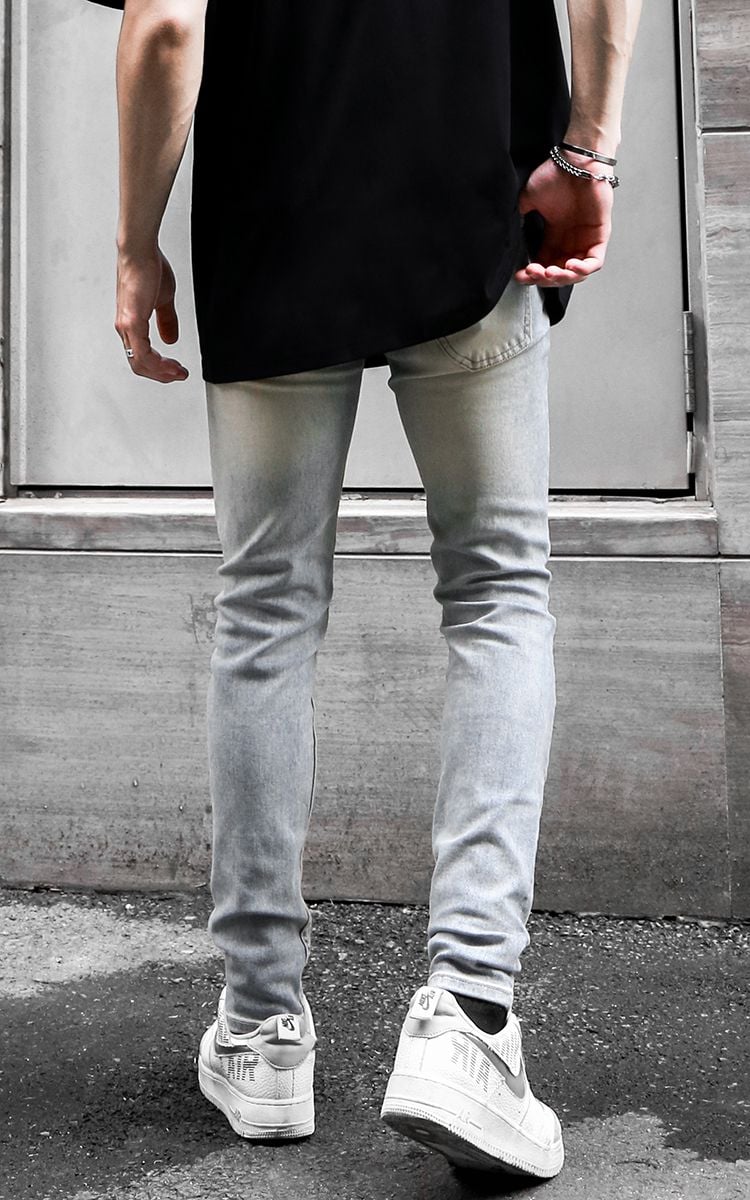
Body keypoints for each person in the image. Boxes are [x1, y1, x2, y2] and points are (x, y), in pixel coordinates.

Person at [85, 0, 642, 1177]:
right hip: (473, 205)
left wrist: (136, 243)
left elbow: (167, 27)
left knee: (266, 608)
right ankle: (469, 1018)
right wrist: (588, 152)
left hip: (275, 220)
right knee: (497, 590)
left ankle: (261, 1030)